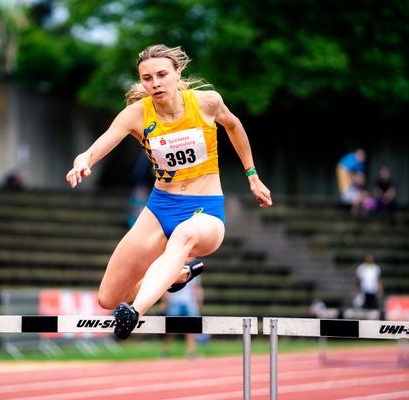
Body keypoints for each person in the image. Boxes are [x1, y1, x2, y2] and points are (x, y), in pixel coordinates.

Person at [66, 44, 272, 340]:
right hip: (160, 207)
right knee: (108, 298)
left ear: (177, 73)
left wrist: (252, 176)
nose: (155, 83)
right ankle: (177, 275)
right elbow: (97, 146)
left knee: (183, 236)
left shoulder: (206, 103)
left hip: (205, 209)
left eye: (162, 75)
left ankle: (134, 312)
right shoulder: (136, 114)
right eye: (147, 78)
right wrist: (83, 161)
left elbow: (235, 126)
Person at [160, 258, 204, 359]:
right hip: (175, 302)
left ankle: (191, 352)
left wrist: (198, 302)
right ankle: (165, 350)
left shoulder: (194, 271)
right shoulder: (173, 270)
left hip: (189, 302)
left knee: (192, 328)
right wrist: (164, 302)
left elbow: (197, 289)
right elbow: (166, 287)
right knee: (170, 328)